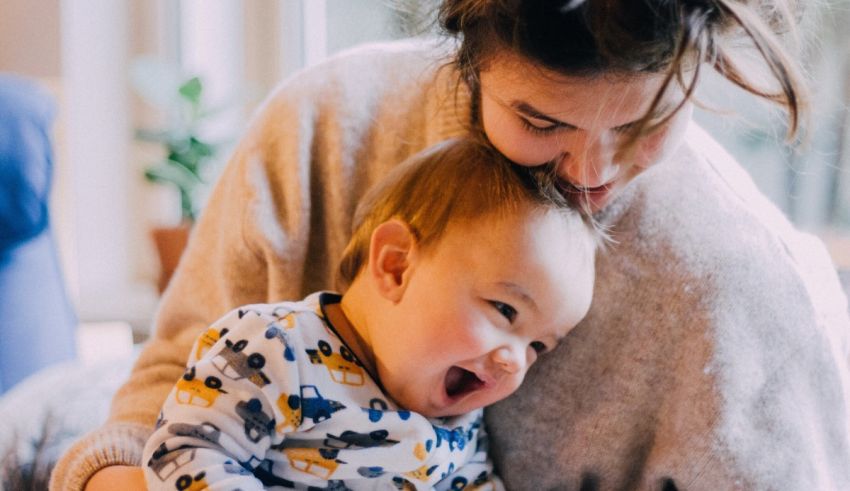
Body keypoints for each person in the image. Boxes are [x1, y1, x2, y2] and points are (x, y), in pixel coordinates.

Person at [53, 0, 850, 490]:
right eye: (541, 120)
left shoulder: (753, 298)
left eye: (645, 124)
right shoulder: (322, 129)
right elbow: (161, 402)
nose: (591, 172)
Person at [140, 138, 596, 490]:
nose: (515, 361)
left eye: (538, 345)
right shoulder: (275, 349)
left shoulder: (459, 423)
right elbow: (185, 449)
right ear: (395, 266)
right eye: (504, 310)